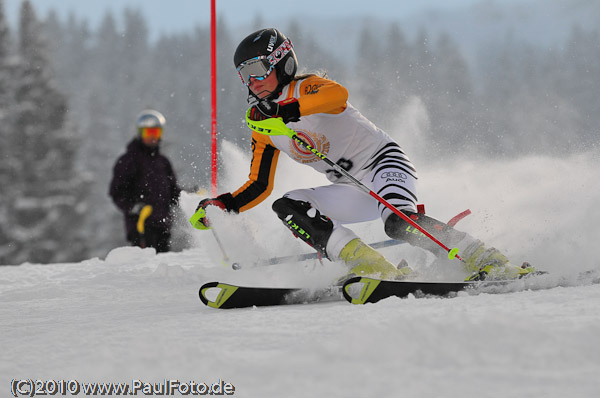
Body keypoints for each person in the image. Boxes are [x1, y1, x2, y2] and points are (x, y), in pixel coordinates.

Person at [190, 28, 535, 282]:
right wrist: (224, 206)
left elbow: (337, 94)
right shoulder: (263, 127)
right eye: (243, 75)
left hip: (385, 163)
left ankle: (487, 258)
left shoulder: (306, 87)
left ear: (281, 64)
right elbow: (259, 184)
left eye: (256, 70)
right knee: (288, 205)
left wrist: (290, 109)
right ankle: (370, 266)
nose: (251, 82)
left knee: (398, 223)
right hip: (352, 187)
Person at [110, 109, 181, 252]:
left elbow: (172, 192)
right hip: (140, 227)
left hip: (163, 226)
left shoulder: (163, 162)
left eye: (156, 133)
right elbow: (116, 192)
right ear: (140, 133)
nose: (152, 137)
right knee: (146, 268)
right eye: (148, 133)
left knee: (163, 267)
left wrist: (189, 197)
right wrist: (134, 207)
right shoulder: (129, 160)